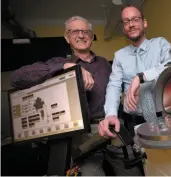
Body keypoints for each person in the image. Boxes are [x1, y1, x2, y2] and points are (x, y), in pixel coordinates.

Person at [10, 16, 111, 176]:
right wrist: (67, 67)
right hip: (83, 135)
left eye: (85, 31)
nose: (81, 35)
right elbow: (16, 78)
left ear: (91, 36)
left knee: (132, 168)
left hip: (111, 126)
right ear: (67, 37)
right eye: (75, 31)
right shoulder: (59, 63)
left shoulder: (105, 63)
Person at [98, 5, 171, 176]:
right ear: (123, 28)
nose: (131, 24)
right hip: (132, 123)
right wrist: (110, 113)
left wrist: (141, 76)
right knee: (143, 165)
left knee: (164, 166)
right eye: (126, 22)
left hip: (163, 118)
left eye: (135, 19)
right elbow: (114, 86)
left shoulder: (160, 44)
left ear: (144, 23)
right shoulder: (119, 56)